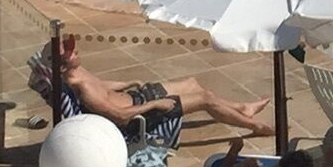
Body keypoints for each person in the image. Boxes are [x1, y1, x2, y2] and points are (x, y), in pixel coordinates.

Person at [44, 34, 273, 136]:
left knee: (194, 83)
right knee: (205, 99)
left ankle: (244, 108)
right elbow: (120, 116)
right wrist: (154, 105)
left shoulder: (78, 73)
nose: (76, 50)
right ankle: (255, 127)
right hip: (139, 116)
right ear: (63, 65)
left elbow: (102, 85)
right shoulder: (81, 90)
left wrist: (129, 82)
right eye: (71, 52)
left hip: (138, 97)